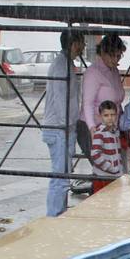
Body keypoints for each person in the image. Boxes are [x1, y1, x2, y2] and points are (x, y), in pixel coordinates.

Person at [40, 29, 85, 216]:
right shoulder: (61, 66)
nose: (83, 47)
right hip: (60, 128)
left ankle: (58, 212)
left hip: (64, 127)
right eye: (81, 43)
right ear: (74, 44)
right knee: (60, 176)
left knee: (63, 175)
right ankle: (54, 216)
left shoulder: (66, 64)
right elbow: (61, 100)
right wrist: (66, 126)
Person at [80, 34, 126, 156]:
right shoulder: (93, 72)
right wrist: (92, 128)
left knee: (112, 165)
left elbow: (117, 100)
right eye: (112, 56)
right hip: (95, 127)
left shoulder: (114, 71)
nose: (116, 60)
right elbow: (87, 103)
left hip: (111, 127)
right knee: (104, 167)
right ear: (103, 52)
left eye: (118, 56)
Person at [89, 99, 124, 191]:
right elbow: (95, 154)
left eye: (112, 115)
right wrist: (110, 168)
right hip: (103, 176)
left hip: (114, 175)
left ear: (116, 115)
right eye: (106, 115)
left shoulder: (116, 131)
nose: (110, 118)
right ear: (100, 116)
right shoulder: (100, 132)